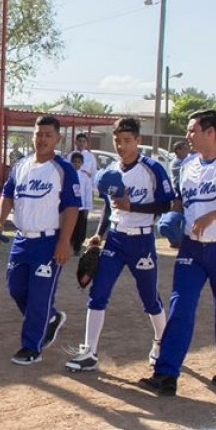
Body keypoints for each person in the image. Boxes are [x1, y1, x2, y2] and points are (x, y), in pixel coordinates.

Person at [138, 110, 216, 396]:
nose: (187, 136)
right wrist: (174, 224)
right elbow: (183, 204)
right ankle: (166, 373)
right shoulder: (187, 166)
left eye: (192, 130)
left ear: (210, 132)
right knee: (180, 306)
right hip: (192, 249)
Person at [65, 118, 175, 373]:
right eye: (117, 140)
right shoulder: (111, 170)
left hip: (142, 240)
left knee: (149, 297)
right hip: (115, 238)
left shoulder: (152, 168)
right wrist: (99, 235)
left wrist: (133, 206)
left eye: (127, 140)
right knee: (98, 294)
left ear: (138, 140)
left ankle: (161, 342)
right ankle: (89, 352)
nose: (121, 145)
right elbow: (108, 205)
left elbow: (167, 204)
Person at [0, 115, 81, 365]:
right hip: (22, 239)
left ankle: (32, 347)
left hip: (48, 242)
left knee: (40, 295)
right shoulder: (21, 165)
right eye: (38, 134)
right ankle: (50, 319)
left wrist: (64, 241)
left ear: (57, 138)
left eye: (48, 135)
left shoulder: (64, 170)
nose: (42, 139)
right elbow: (7, 195)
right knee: (16, 288)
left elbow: (72, 208)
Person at [68, 152, 92, 255]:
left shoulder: (85, 176)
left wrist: (87, 207)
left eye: (79, 162)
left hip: (81, 207)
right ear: (71, 162)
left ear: (81, 163)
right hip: (69, 206)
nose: (76, 164)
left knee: (80, 229)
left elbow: (88, 192)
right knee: (69, 227)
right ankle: (68, 245)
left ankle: (77, 248)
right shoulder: (67, 174)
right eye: (74, 162)